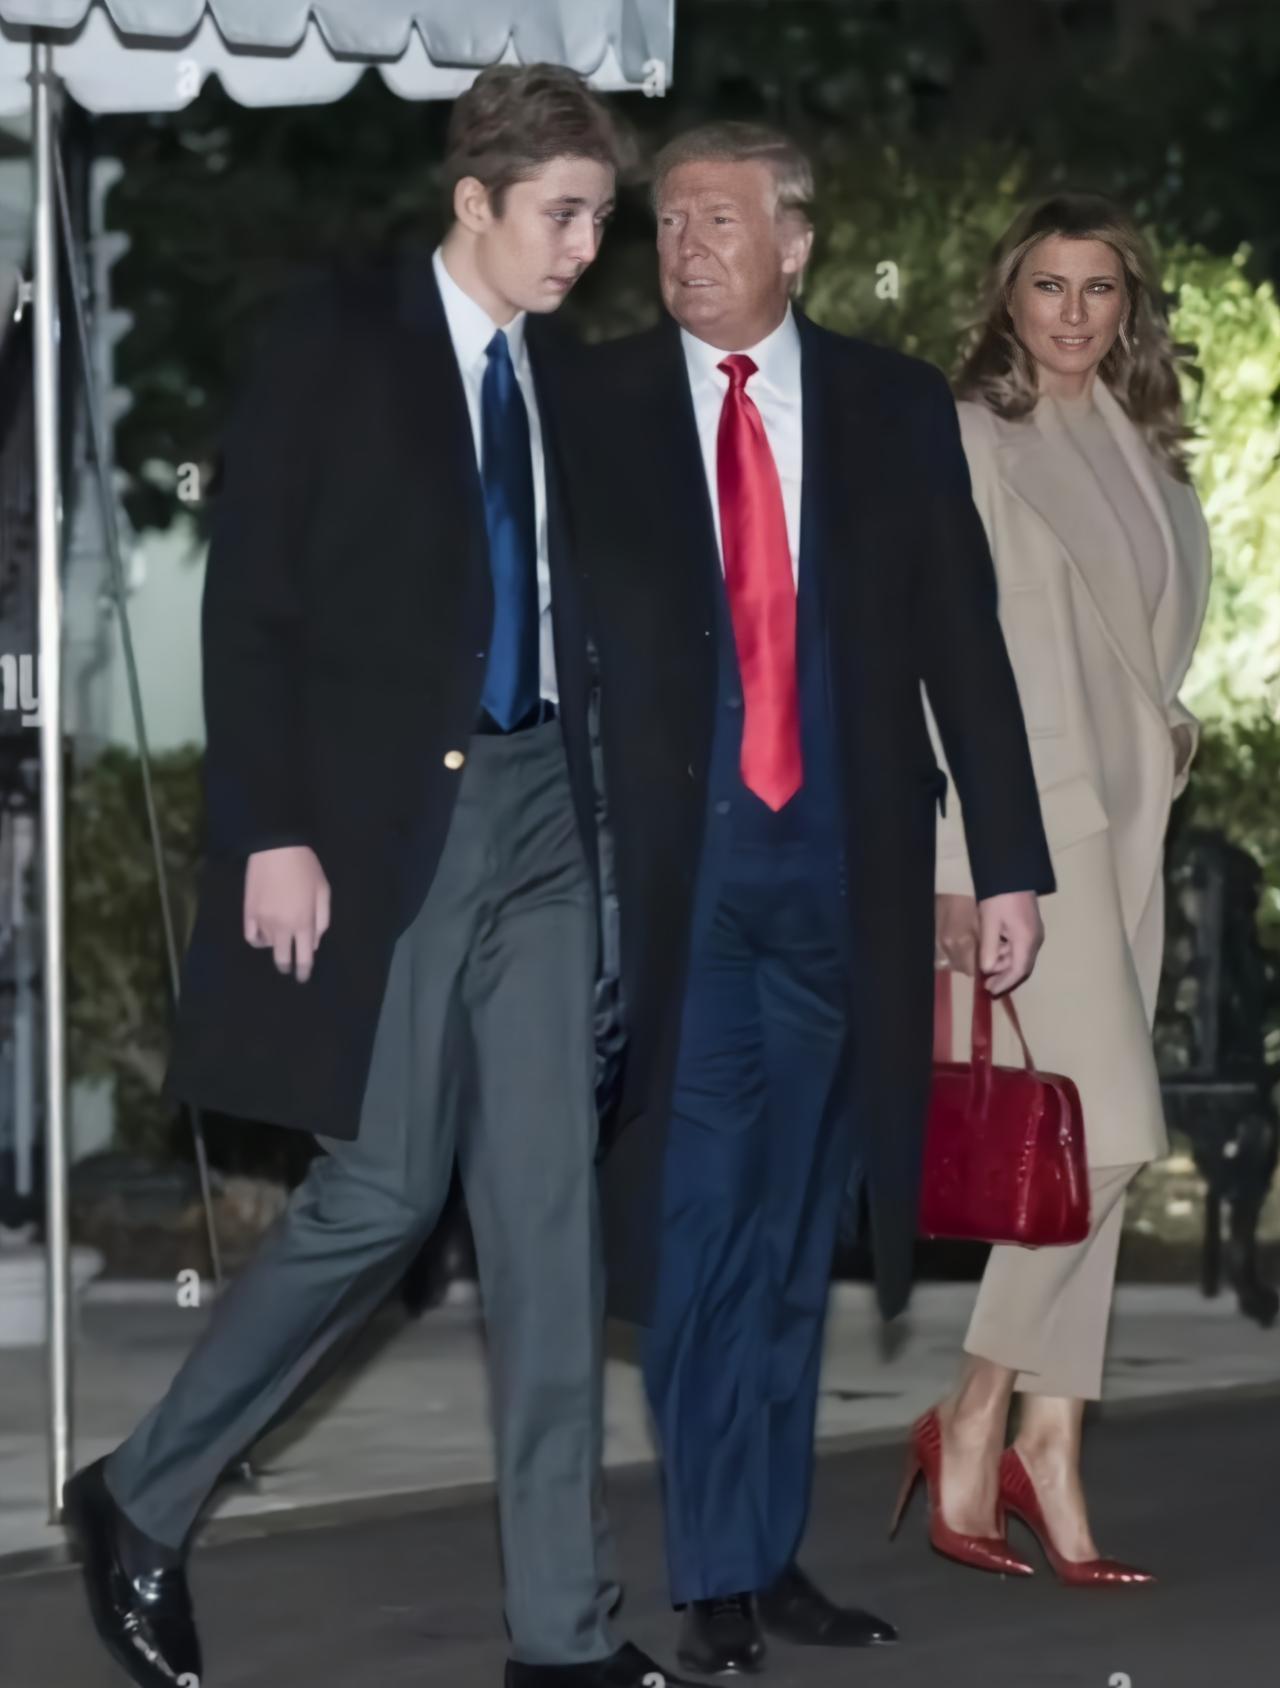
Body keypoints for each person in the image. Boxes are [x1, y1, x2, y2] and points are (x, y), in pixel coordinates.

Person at [62, 64, 679, 1688]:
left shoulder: (561, 375)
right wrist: (268, 830)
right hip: (394, 826)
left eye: (600, 219)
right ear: (474, 200)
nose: (587, 248)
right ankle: (141, 1492)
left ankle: (564, 1634)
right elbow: (250, 599)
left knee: (550, 1228)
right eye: (564, 216)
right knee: (385, 1194)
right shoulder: (338, 344)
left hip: (548, 820)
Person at [553, 122, 1055, 1678]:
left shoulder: (891, 406)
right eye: (667, 223)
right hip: (686, 887)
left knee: (791, 1238)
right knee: (703, 1224)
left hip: (849, 880)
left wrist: (1009, 860)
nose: (683, 247)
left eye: (717, 220)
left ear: (796, 241)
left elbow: (963, 638)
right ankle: (714, 1571)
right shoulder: (593, 404)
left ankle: (765, 1557)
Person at [916, 192, 1211, 1585]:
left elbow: (1146, 652)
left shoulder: (1147, 450)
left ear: (1128, 306)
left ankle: (1053, 1441)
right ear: (1009, 299)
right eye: (1050, 286)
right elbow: (936, 665)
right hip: (1036, 839)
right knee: (1108, 1139)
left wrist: (1174, 735)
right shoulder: (973, 438)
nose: (1075, 313)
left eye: (1100, 288)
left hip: (1136, 828)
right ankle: (978, 1413)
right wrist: (960, 867)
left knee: (1091, 1138)